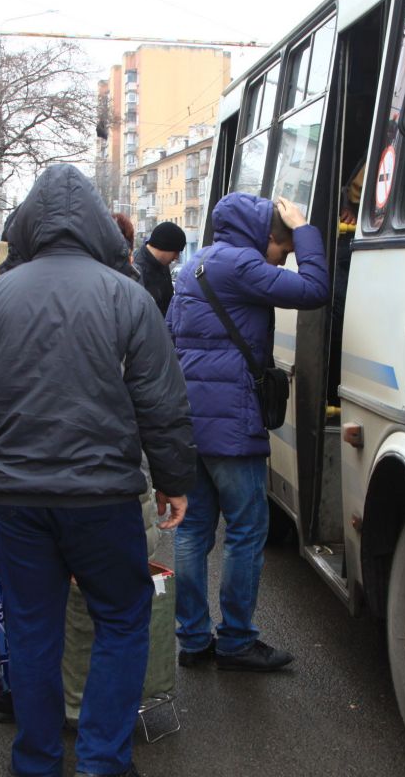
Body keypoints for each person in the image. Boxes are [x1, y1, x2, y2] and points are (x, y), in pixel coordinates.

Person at [0, 164, 195, 777]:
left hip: (20, 500)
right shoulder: (127, 295)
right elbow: (162, 402)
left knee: (32, 631)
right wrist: (173, 480)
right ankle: (103, 761)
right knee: (122, 618)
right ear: (96, 226)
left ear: (30, 225)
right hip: (104, 495)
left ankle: (36, 760)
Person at [167, 193, 329, 672]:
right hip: (233, 426)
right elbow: (315, 289)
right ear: (268, 236)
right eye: (282, 247)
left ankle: (194, 639)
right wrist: (305, 229)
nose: (281, 258)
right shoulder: (242, 265)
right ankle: (236, 639)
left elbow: (170, 336)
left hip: (189, 422)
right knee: (245, 529)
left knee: (193, 530)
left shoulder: (194, 265)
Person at [134, 220, 185, 317]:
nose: (177, 257)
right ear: (165, 246)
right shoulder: (136, 270)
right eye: (176, 252)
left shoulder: (162, 265)